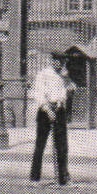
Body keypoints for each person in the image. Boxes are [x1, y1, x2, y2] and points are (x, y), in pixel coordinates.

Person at [29, 52, 72, 185]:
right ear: (52, 61)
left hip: (59, 110)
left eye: (61, 62)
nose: (58, 64)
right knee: (40, 145)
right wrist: (48, 110)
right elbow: (38, 94)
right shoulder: (43, 74)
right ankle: (35, 177)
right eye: (56, 61)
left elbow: (64, 92)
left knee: (62, 145)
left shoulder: (62, 76)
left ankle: (62, 178)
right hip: (45, 111)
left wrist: (59, 103)